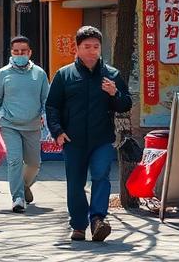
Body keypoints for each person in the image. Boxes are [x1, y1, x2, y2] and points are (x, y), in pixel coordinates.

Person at [46, 25, 132, 242]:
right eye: (87, 47)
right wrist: (57, 131)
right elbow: (52, 106)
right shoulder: (65, 75)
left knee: (101, 176)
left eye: (96, 46)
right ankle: (78, 224)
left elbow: (125, 104)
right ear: (76, 48)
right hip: (72, 140)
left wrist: (115, 93)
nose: (92, 51)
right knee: (75, 182)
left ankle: (98, 219)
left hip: (102, 139)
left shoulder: (111, 74)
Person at [0, 35, 50, 213]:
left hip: (33, 126)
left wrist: (47, 119)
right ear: (11, 53)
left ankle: (23, 185)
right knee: (14, 160)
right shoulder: (3, 73)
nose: (19, 54)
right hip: (9, 124)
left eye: (23, 51)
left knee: (33, 163)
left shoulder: (39, 74)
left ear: (30, 52)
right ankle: (18, 197)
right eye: (16, 51)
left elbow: (46, 99)